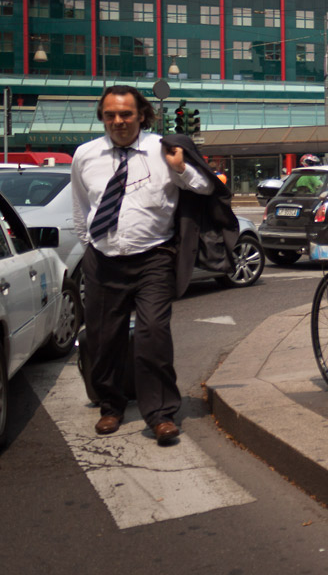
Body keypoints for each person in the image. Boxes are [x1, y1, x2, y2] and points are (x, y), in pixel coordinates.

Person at [71, 85, 215, 445]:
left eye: (126, 114)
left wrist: (180, 169)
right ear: (102, 117)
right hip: (103, 260)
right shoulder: (85, 155)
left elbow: (206, 188)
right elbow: (80, 207)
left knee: (152, 334)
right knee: (104, 339)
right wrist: (90, 244)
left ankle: (160, 414)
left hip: (153, 258)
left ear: (142, 115)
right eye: (110, 115)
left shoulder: (163, 149)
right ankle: (111, 405)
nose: (118, 121)